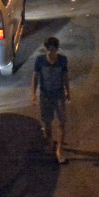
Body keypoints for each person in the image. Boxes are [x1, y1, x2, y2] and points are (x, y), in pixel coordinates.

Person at [32, 36, 70, 164]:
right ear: (46, 49)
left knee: (61, 122)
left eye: (54, 50)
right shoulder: (39, 61)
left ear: (57, 50)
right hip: (45, 95)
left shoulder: (62, 60)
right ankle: (49, 144)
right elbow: (35, 78)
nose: (51, 53)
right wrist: (33, 94)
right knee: (47, 123)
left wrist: (68, 91)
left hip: (59, 94)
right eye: (49, 50)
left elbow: (65, 76)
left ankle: (59, 149)